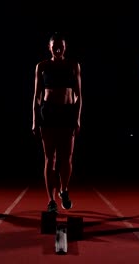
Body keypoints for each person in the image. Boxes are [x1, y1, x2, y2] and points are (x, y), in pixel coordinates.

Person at [32, 33, 82, 213]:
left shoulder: (73, 65)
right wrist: (34, 119)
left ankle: (64, 190)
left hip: (67, 114)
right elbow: (37, 95)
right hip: (48, 113)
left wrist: (77, 118)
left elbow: (79, 95)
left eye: (61, 45)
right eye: (55, 46)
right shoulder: (42, 66)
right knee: (50, 158)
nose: (58, 48)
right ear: (49, 47)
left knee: (67, 157)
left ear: (65, 47)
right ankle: (51, 200)